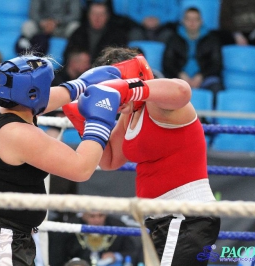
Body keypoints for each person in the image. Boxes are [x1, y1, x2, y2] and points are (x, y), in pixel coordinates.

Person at [0, 54, 122, 264]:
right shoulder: (18, 133)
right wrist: (99, 121)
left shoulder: (10, 108)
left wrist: (81, 85)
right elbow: (82, 169)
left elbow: (45, 98)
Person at [63, 47, 221, 265]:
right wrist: (85, 121)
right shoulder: (130, 115)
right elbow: (109, 160)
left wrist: (128, 89)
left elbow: (182, 90)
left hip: (185, 215)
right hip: (160, 218)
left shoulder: (160, 105)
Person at [163, 7, 223, 105]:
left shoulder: (212, 40)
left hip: (205, 79)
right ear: (183, 21)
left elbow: (217, 64)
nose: (192, 22)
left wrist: (201, 75)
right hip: (178, 78)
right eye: (189, 19)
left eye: (196, 19)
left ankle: (209, 119)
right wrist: (180, 73)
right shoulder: (173, 39)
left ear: (201, 21)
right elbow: (167, 62)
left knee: (216, 88)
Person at [49, 211, 137, 266]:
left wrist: (116, 256)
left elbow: (132, 251)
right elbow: (57, 257)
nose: (97, 220)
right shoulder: (70, 228)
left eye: (100, 215)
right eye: (92, 216)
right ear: (83, 215)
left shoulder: (116, 226)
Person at [63, 1, 128, 64]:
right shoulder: (78, 33)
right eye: (94, 14)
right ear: (88, 15)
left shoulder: (118, 35)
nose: (97, 18)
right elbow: (68, 56)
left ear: (107, 16)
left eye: (101, 14)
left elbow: (118, 58)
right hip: (80, 73)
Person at [16, 0, 81, 55]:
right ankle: (24, 51)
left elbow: (75, 15)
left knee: (75, 26)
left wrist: (57, 22)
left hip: (61, 27)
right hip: (42, 26)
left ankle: (74, 53)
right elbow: (33, 13)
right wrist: (43, 22)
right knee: (28, 25)